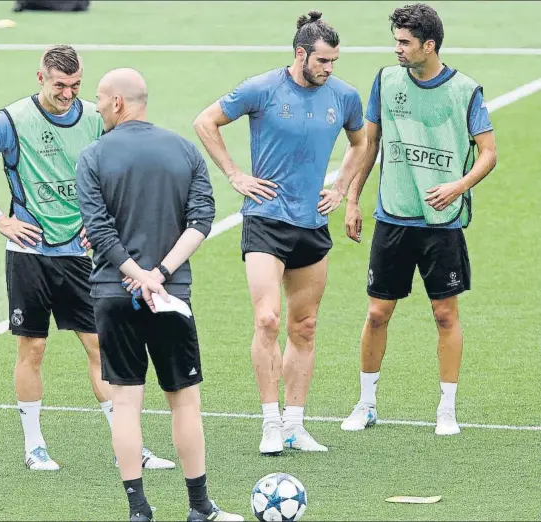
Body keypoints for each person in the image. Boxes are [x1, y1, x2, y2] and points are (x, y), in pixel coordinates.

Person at [0, 45, 174, 471]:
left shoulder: (93, 119)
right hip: (29, 251)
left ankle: (130, 445)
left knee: (100, 345)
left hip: (80, 254)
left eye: (76, 85)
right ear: (40, 78)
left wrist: (99, 219)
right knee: (34, 347)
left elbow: (114, 172)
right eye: (59, 85)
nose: (68, 94)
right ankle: (34, 447)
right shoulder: (10, 122)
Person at [194, 11, 367, 455]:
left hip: (311, 225)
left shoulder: (344, 97)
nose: (329, 69)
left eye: (334, 61)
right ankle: (270, 423)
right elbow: (205, 122)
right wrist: (235, 174)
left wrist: (342, 186)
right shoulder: (262, 88)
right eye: (323, 60)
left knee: (305, 326)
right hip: (266, 220)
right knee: (268, 319)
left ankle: (295, 424)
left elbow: (361, 142)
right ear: (300, 53)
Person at [76, 67, 243, 522]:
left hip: (113, 293)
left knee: (126, 403)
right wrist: (161, 273)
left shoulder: (92, 156)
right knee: (184, 401)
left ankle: (138, 511)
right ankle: (199, 508)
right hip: (171, 296)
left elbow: (98, 230)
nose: (95, 106)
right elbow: (202, 218)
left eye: (97, 98)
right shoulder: (184, 150)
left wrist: (135, 273)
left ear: (116, 103)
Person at [341, 3, 497, 436]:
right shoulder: (387, 80)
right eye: (396, 41)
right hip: (393, 215)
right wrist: (353, 200)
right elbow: (368, 146)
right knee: (376, 313)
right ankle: (367, 403)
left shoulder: (465, 90)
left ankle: (446, 409)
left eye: (405, 43)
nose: (397, 49)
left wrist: (457, 186)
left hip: (441, 222)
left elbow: (489, 152)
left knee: (445, 314)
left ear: (429, 45)